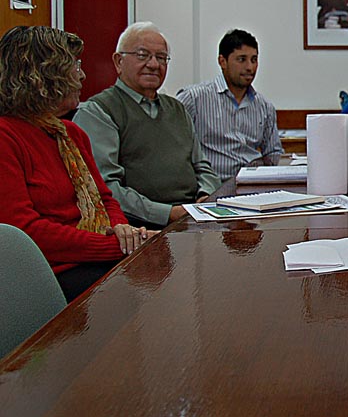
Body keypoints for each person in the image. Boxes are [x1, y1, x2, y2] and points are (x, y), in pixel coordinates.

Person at [0, 26, 155, 301]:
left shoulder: (72, 134)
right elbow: (25, 233)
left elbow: (106, 200)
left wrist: (123, 230)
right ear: (41, 76)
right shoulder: (6, 137)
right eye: (74, 65)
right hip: (49, 275)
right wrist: (115, 245)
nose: (82, 75)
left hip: (96, 256)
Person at [73, 22, 221, 229]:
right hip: (138, 229)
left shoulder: (178, 110)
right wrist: (167, 213)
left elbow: (202, 167)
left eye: (161, 58)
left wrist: (206, 195)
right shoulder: (99, 112)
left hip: (193, 218)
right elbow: (105, 187)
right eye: (142, 55)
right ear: (118, 61)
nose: (153, 64)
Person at [176, 29, 283, 181]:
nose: (250, 67)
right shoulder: (194, 99)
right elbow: (174, 150)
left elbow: (273, 152)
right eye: (241, 59)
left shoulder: (265, 107)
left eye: (254, 60)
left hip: (252, 185)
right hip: (213, 186)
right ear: (222, 61)